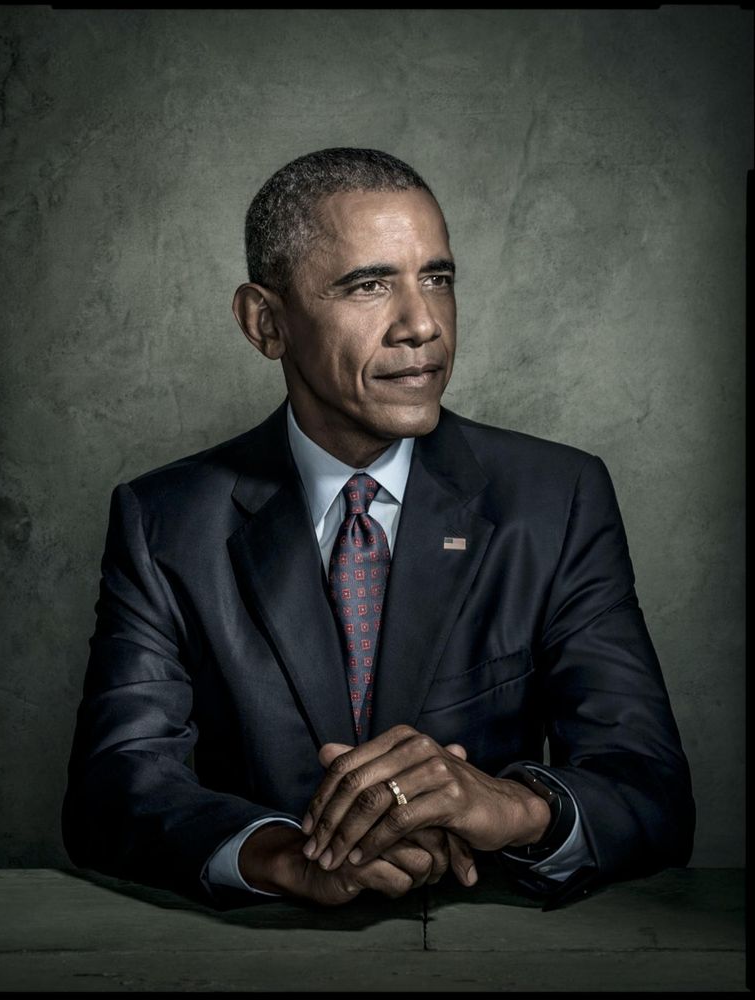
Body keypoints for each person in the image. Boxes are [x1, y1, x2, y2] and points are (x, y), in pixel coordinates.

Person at [62, 148, 695, 910]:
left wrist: (511, 807)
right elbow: (114, 792)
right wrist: (284, 858)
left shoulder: (556, 498)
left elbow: (652, 792)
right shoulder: (163, 520)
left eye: (437, 278)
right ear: (265, 322)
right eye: (367, 286)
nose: (422, 325)